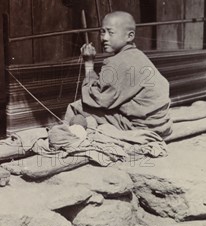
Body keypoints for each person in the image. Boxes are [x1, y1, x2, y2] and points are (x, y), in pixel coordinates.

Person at [64, 11, 172, 142]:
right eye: (102, 32)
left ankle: (67, 140)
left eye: (111, 32)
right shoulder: (138, 55)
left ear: (130, 36)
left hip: (143, 127)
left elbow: (95, 99)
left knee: (77, 107)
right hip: (161, 124)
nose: (104, 38)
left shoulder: (117, 62)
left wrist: (88, 62)